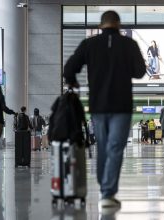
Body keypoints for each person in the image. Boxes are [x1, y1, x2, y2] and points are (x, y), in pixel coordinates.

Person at [63, 11, 146, 208]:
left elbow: (68, 68)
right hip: (122, 106)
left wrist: (73, 81)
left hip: (98, 106)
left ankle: (105, 189)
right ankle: (107, 193)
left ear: (101, 25)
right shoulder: (129, 44)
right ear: (118, 24)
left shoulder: (89, 44)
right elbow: (140, 72)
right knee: (116, 147)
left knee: (103, 146)